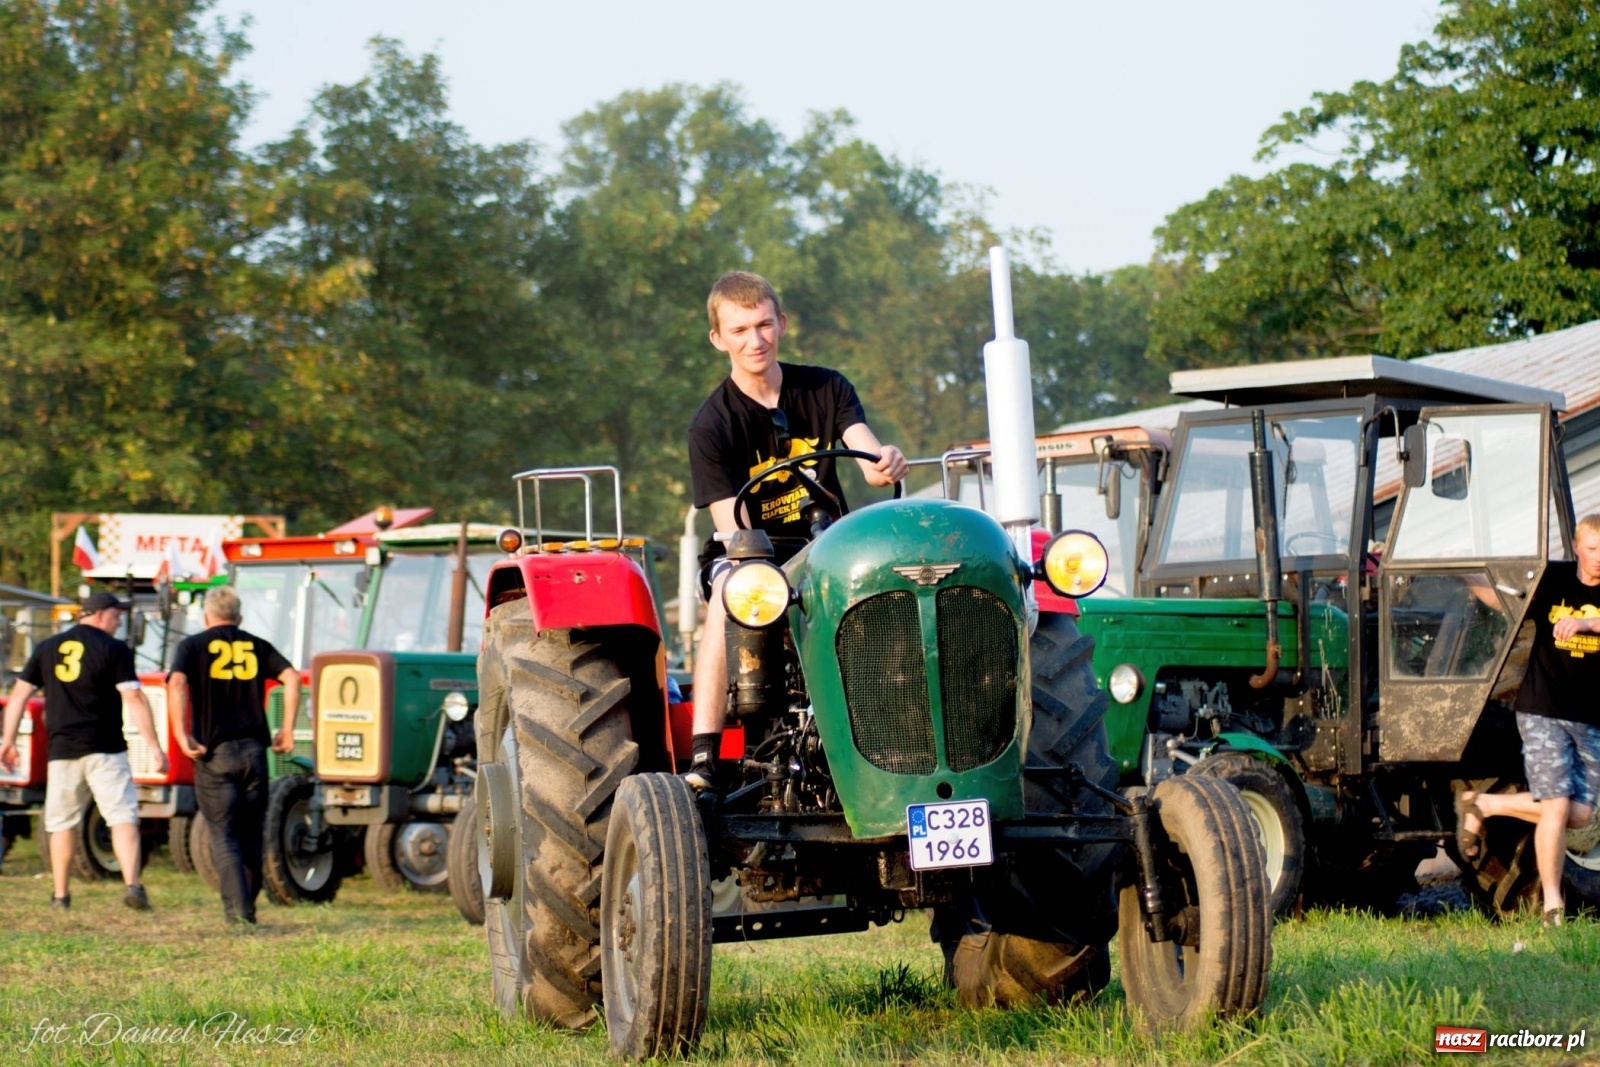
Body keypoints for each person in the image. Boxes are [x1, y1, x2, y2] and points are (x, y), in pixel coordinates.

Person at [684, 270, 909, 788]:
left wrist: (885, 461)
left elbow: (866, 450)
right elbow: (733, 529)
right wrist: (774, 573)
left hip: (829, 543)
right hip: (751, 555)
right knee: (730, 591)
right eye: (739, 330)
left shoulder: (827, 387)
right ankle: (703, 756)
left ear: (782, 324)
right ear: (719, 339)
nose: (754, 340)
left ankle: (897, 734)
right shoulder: (711, 425)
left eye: (763, 324)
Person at [1457, 513, 1600, 926]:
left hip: (1588, 720)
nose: (1597, 559)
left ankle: (1484, 803)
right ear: (1576, 548)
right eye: (1591, 550)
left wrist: (1585, 621)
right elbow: (1507, 599)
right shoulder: (1554, 584)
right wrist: (1468, 579)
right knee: (1555, 808)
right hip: (1542, 710)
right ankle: (1553, 907)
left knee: (1581, 816)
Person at [0, 591, 167, 910]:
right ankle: (133, 885)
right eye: (116, 616)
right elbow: (134, 698)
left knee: (61, 823)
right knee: (122, 816)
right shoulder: (114, 649)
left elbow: (19, 694)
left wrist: (7, 740)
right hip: (106, 748)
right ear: (100, 614)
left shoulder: (47, 647)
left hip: (62, 750)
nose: (119, 622)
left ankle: (60, 895)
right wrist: (154, 747)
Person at [167, 585, 299, 925]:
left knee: (223, 834)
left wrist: (182, 736)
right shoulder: (257, 645)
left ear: (206, 615)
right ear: (238, 617)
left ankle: (239, 914)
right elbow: (292, 677)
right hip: (254, 752)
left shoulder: (192, 646)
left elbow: (177, 684)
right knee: (252, 832)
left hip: (215, 753)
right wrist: (287, 728)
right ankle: (248, 908)